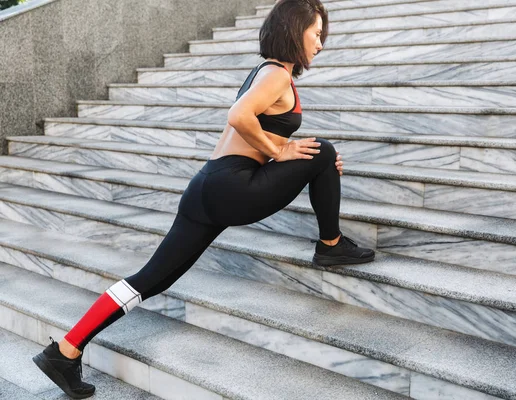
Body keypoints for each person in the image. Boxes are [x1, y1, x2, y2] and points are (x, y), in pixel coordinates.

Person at [31, 0, 375, 397]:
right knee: (325, 150)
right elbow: (239, 115)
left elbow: (256, 127)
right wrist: (285, 153)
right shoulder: (278, 75)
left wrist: (300, 157)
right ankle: (330, 245)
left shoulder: (264, 70)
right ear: (295, 31)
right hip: (233, 187)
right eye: (317, 34)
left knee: (149, 280)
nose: (320, 44)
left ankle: (65, 351)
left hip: (206, 186)